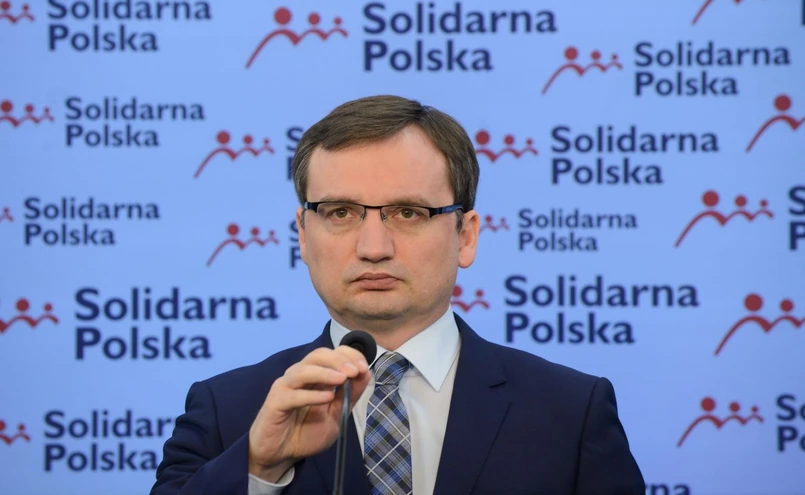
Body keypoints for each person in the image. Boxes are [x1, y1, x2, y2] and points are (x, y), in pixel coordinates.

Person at [151, 95, 645, 495]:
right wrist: (259, 467)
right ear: (302, 234)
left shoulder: (569, 412)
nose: (373, 248)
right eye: (341, 213)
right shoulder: (229, 412)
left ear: (466, 235)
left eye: (408, 213)